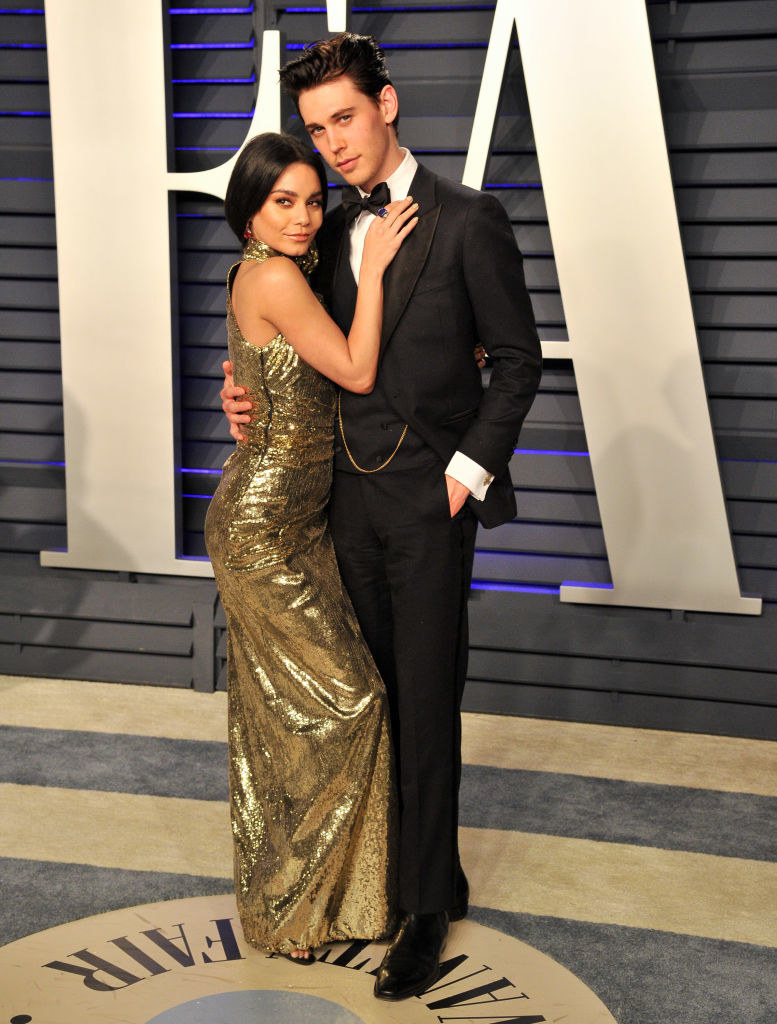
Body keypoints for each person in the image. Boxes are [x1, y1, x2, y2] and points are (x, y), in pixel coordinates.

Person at [221, 34, 543, 1000]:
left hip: (428, 500)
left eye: (345, 119)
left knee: (427, 697)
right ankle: (404, 874)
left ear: (387, 104)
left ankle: (423, 911)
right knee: (372, 705)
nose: (335, 145)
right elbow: (286, 340)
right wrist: (239, 392)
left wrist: (466, 472)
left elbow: (517, 361)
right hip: (335, 507)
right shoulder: (311, 235)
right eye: (317, 130)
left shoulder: (468, 220)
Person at [204, 132, 418, 964]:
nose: (301, 216)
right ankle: (297, 907)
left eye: (311, 199)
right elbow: (356, 372)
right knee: (350, 702)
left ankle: (299, 906)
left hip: (296, 522)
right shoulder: (274, 275)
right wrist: (374, 274)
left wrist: (237, 396)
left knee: (282, 722)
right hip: (261, 532)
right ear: (251, 211)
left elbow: (267, 377)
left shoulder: (257, 273)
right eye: (281, 201)